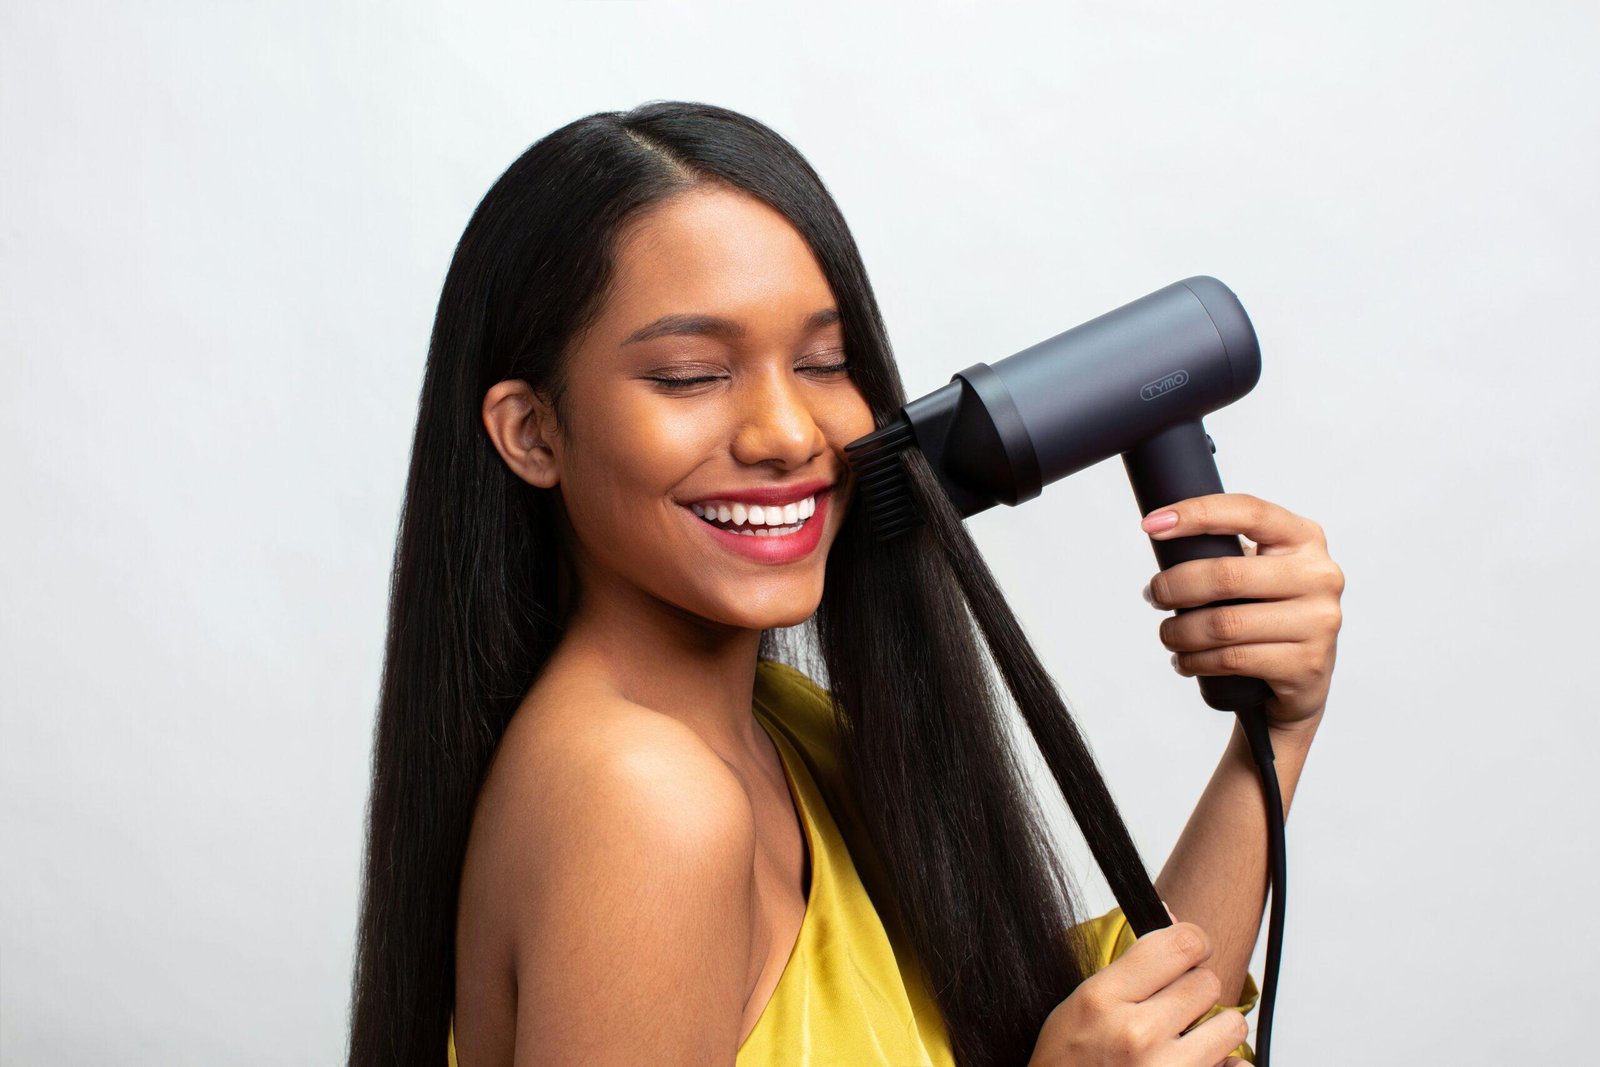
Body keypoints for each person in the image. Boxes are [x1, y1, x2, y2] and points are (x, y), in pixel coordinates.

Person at [346, 100, 1344, 1067]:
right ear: (532, 432)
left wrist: (1274, 736)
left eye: (824, 360)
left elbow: (1131, 1014)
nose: (790, 433)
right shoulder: (646, 798)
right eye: (691, 372)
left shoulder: (781, 723)